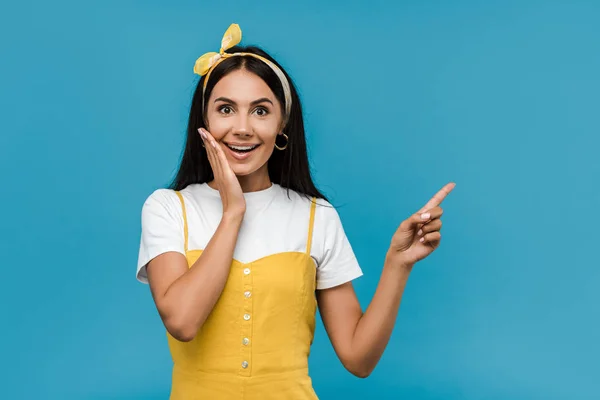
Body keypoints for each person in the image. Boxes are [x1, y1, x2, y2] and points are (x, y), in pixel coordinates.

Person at [136, 23, 455, 400]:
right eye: (225, 109)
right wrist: (233, 211)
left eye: (260, 111)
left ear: (281, 124)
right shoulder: (168, 208)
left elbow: (358, 358)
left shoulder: (315, 215)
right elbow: (183, 321)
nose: (242, 128)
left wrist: (397, 264)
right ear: (204, 122)